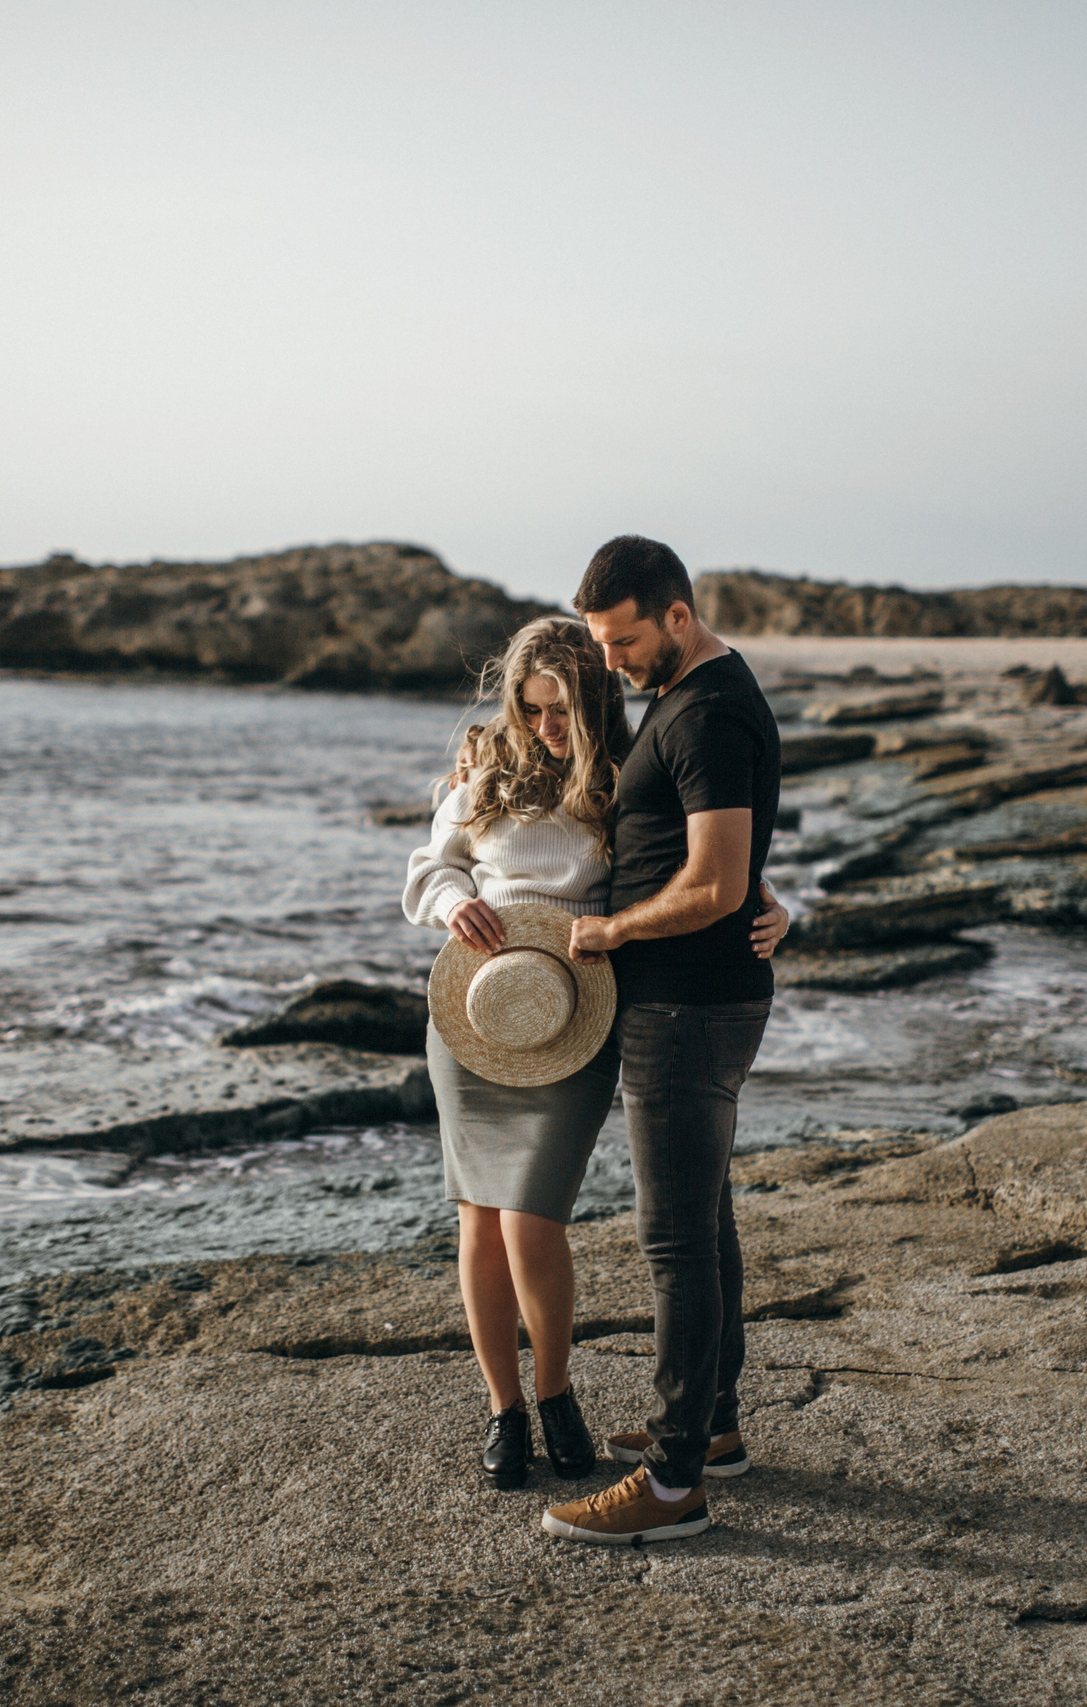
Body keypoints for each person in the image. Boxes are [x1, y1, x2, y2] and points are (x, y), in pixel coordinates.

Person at [403, 617, 789, 1491]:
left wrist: (774, 905)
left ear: (598, 698)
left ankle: (556, 1394)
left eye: (563, 710)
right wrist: (453, 897)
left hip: (575, 1016)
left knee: (535, 1219)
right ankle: (504, 1408)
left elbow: (697, 858)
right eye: (533, 710)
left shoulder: (627, 771)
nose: (547, 728)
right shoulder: (483, 771)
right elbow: (428, 866)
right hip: (478, 1013)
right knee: (479, 1218)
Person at [540, 535, 782, 1547]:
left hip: (686, 1004)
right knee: (707, 1219)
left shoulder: (711, 709)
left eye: (623, 641)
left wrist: (609, 931)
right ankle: (713, 1425)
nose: (610, 664)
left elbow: (715, 883)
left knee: (675, 1241)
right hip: (694, 997)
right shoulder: (684, 692)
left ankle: (674, 1479)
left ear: (677, 617)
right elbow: (719, 853)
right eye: (601, 644)